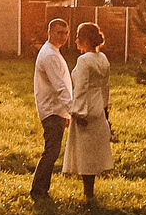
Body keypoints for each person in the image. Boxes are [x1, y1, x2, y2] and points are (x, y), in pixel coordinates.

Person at [64, 22, 113, 202]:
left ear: (84, 39)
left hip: (85, 108)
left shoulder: (84, 60)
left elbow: (81, 88)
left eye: (78, 36)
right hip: (98, 106)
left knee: (85, 152)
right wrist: (105, 110)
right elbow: (105, 87)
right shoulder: (103, 59)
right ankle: (89, 192)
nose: (76, 40)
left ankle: (88, 194)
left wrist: (77, 112)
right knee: (93, 150)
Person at [29, 16, 73, 198]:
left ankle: (40, 190)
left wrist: (67, 114)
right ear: (49, 33)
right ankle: (38, 191)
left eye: (66, 33)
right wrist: (73, 111)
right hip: (51, 110)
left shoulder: (54, 52)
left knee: (53, 151)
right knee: (51, 151)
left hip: (57, 110)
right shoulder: (49, 55)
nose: (63, 36)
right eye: (59, 33)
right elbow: (59, 86)